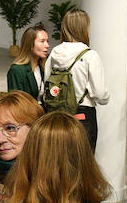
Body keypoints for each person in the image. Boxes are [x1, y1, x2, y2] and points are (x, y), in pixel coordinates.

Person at [47, 9, 109, 148]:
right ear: (84, 28)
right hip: (83, 116)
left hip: (57, 115)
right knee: (84, 164)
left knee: (59, 161)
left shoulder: (54, 53)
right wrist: (106, 98)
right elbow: (99, 93)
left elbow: (45, 86)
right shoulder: (89, 55)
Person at [8, 23, 50, 100]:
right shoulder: (17, 70)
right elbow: (16, 103)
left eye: (47, 41)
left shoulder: (43, 66)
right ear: (30, 44)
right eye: (42, 41)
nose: (47, 45)